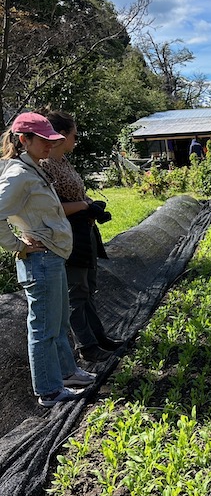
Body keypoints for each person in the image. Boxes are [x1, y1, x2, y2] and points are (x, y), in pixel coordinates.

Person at [0, 112, 96, 407]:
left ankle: (67, 373)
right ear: (23, 140)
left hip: (52, 256)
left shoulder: (35, 169)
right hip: (39, 261)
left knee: (57, 323)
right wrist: (17, 244)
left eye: (51, 139)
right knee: (42, 328)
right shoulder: (17, 174)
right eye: (42, 140)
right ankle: (49, 391)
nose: (48, 145)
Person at [41, 110, 124, 362]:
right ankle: (86, 346)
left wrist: (91, 204)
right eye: (74, 136)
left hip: (84, 232)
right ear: (60, 135)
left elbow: (75, 195)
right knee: (76, 292)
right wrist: (86, 207)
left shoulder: (63, 161)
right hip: (69, 236)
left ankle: (98, 337)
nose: (76, 140)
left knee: (87, 288)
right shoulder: (46, 165)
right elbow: (52, 208)